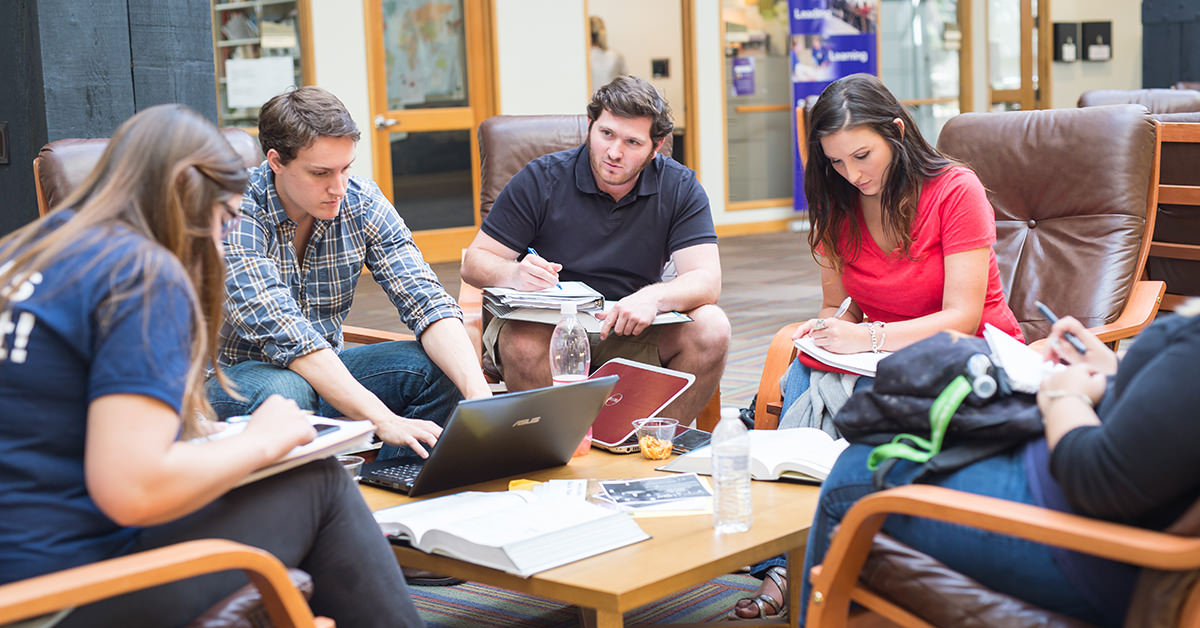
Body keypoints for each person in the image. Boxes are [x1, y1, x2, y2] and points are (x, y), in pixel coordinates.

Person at [0, 104, 422, 627]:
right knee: (320, 484)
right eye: (223, 222)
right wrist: (260, 442)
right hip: (59, 596)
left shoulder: (23, 255)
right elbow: (132, 490)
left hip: (21, 575)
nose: (222, 246)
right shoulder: (142, 273)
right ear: (183, 197)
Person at [731, 72, 1022, 619]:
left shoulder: (955, 191)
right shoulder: (837, 204)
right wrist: (825, 333)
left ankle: (821, 563)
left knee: (822, 403)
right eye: (836, 162)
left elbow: (961, 317)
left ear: (897, 131)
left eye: (863, 155)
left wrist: (865, 337)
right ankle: (795, 561)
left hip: (967, 353)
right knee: (803, 376)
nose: (853, 174)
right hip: (877, 356)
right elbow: (837, 308)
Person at [797, 304, 1200, 627]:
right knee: (901, 433)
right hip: (1068, 483)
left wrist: (1065, 396)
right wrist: (1118, 374)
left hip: (1086, 544)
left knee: (856, 471)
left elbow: (1100, 479)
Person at [209, 86, 491, 462]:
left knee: (440, 371)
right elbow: (288, 336)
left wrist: (481, 400)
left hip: (326, 372)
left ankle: (398, 486)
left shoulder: (360, 202)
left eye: (345, 169)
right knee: (287, 391)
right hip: (234, 382)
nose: (338, 188)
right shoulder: (236, 213)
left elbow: (426, 300)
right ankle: (312, 511)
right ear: (276, 161)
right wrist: (382, 418)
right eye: (320, 173)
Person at [460, 76, 729, 422]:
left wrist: (653, 299)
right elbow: (475, 263)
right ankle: (557, 454)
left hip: (631, 327)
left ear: (656, 145)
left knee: (713, 328)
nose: (615, 152)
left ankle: (646, 448)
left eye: (632, 142)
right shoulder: (541, 179)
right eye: (606, 134)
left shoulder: (679, 187)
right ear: (590, 126)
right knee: (521, 340)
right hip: (546, 325)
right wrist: (513, 272)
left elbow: (706, 279)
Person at [589, 16, 627, 90]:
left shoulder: (584, 58)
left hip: (589, 100)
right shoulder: (616, 55)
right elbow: (626, 83)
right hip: (611, 100)